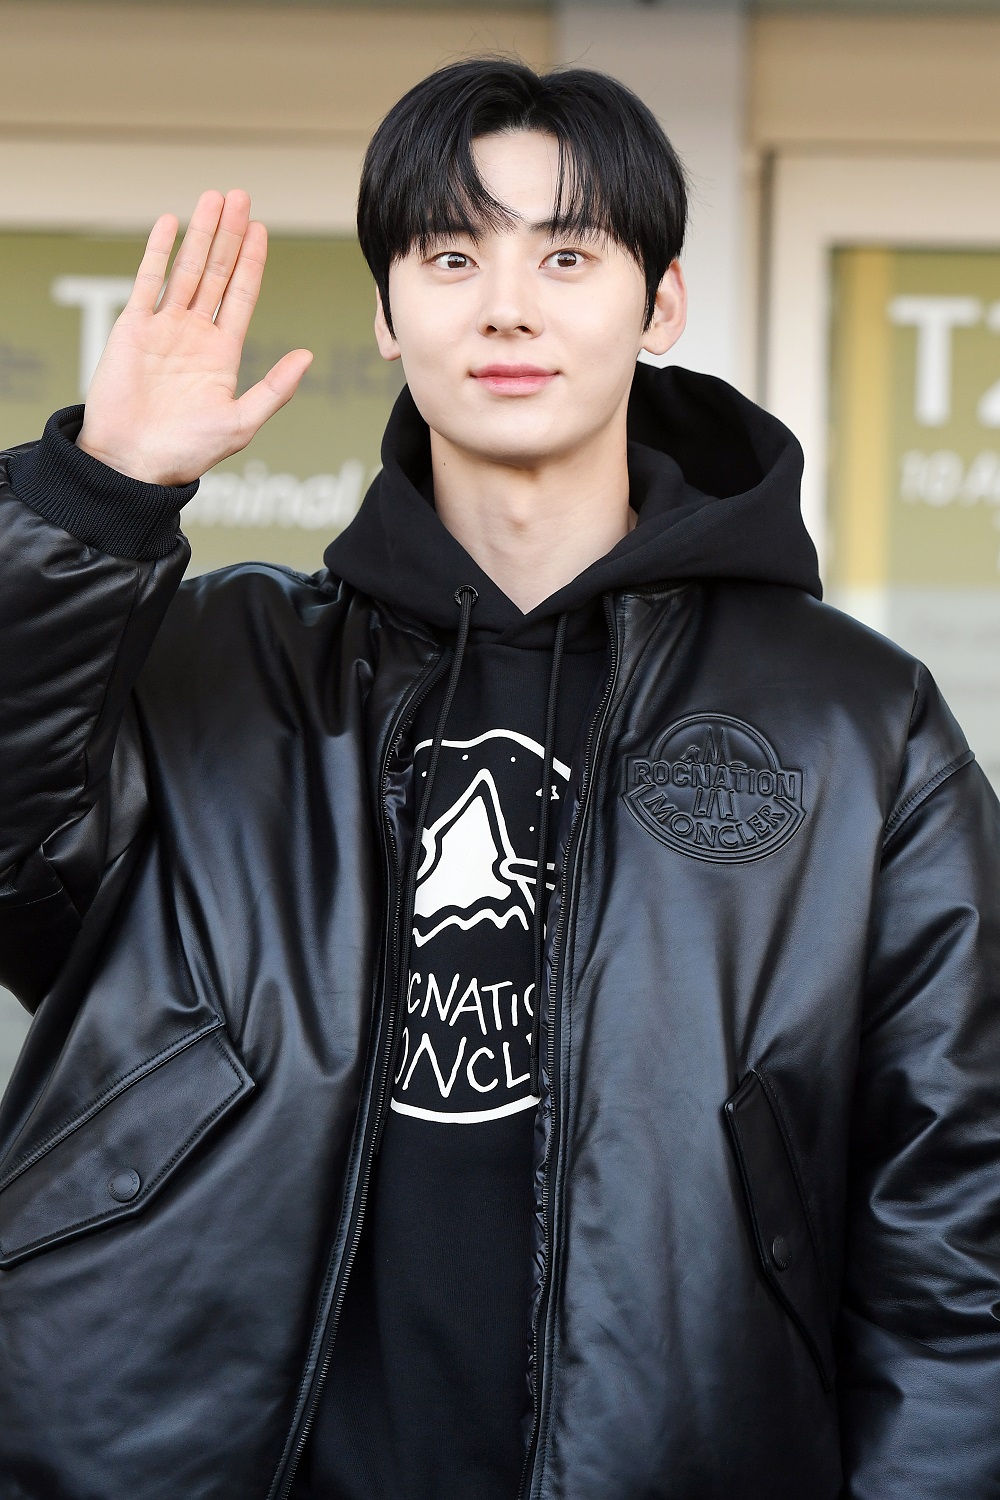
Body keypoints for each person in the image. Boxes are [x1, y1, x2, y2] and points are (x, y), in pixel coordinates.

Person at [0, 55, 997, 1500]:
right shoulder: (223, 668)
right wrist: (103, 494)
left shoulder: (850, 719)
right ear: (389, 314)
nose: (508, 308)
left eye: (568, 256)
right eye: (452, 256)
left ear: (660, 305)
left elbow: (956, 1229)